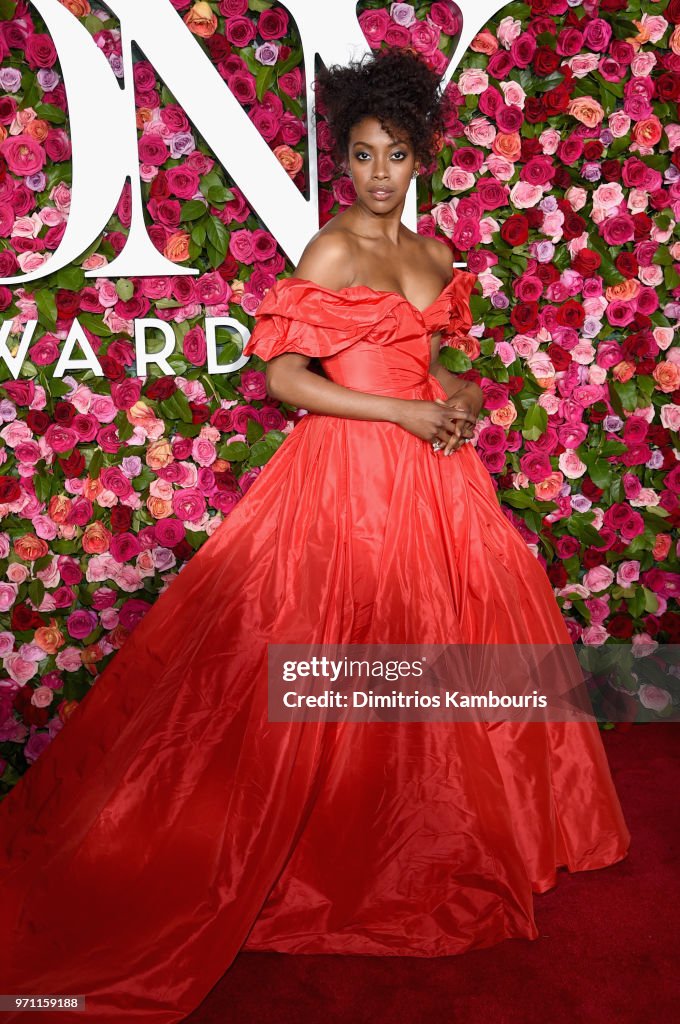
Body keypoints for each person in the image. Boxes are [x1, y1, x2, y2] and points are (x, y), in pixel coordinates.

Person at [0, 47, 630, 1024]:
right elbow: (287, 380)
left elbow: (432, 373)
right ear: (342, 161)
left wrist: (453, 398)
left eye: (393, 156)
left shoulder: (434, 258)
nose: (376, 174)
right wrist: (405, 418)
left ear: (421, 156)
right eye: (361, 157)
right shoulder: (331, 249)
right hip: (346, 481)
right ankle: (334, 844)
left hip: (435, 485)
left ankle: (427, 838)